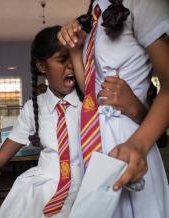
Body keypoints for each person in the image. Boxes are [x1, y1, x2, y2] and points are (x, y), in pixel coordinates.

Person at [0, 26, 146, 218]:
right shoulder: (33, 108)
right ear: (42, 67)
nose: (70, 66)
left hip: (86, 184)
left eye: (73, 59)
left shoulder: (92, 102)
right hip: (43, 186)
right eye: (61, 60)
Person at [58, 0, 169, 217]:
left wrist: (138, 144)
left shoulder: (141, 3)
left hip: (129, 140)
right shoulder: (96, 13)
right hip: (93, 139)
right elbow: (93, 93)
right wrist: (75, 50)